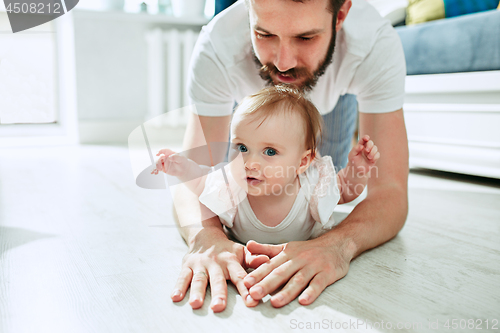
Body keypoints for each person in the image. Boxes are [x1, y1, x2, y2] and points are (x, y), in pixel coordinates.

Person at [171, 0, 409, 312]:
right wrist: (207, 236)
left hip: (331, 101)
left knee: (318, 183)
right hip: (253, 109)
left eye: (305, 38)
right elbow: (193, 180)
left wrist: (336, 245)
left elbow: (389, 190)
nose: (283, 63)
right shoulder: (218, 47)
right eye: (264, 34)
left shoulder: (374, 45)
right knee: (236, 172)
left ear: (340, 16)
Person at [153, 86, 380, 245]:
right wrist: (178, 166)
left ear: (302, 162)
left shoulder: (313, 182)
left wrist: (357, 170)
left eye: (270, 151)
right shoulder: (232, 185)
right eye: (242, 147)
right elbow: (202, 181)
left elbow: (345, 191)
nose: (249, 163)